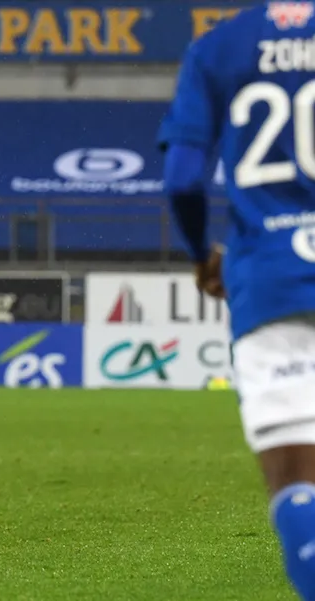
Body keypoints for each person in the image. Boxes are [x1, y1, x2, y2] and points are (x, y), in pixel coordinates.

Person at [158, 4, 315, 598]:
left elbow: (183, 181)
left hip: (272, 283)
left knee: (299, 490)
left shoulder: (220, 48)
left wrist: (203, 255)